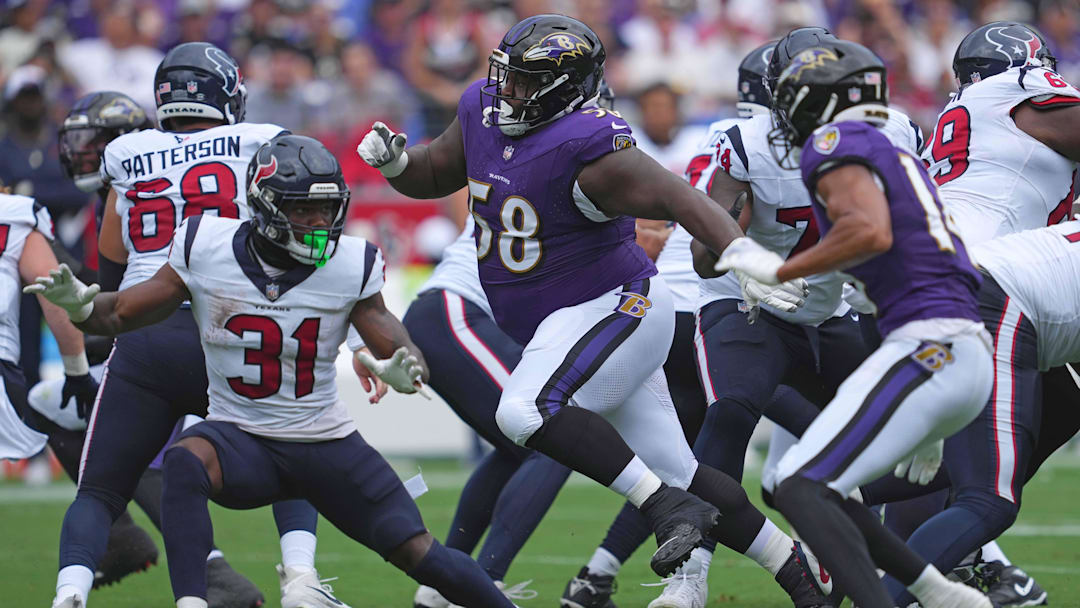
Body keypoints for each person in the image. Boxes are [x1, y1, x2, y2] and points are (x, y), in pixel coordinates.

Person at [358, 13, 831, 607]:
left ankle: (664, 506)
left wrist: (739, 251)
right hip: (575, 320)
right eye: (507, 75)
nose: (509, 91)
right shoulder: (483, 106)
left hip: (618, 307)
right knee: (682, 469)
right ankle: (801, 576)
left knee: (524, 411)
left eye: (527, 81)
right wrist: (397, 166)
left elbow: (677, 196)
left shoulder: (590, 143)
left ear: (565, 87)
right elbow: (434, 171)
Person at [27, 133, 520, 608]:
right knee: (185, 460)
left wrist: (403, 367)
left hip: (324, 443)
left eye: (326, 209)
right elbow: (123, 313)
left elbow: (397, 343)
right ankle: (195, 601)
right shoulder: (206, 245)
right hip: (241, 440)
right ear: (265, 207)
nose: (317, 221)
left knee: (419, 553)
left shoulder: (351, 262)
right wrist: (82, 309)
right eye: (303, 208)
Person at [45, 42, 342, 608]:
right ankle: (301, 580)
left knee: (100, 489)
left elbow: (111, 261)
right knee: (299, 453)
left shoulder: (127, 154)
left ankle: (70, 594)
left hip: (146, 331)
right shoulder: (261, 141)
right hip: (232, 329)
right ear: (228, 95)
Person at [718, 39, 994, 608]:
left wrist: (780, 267)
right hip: (952, 345)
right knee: (786, 482)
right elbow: (922, 271)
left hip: (932, 347)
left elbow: (869, 233)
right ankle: (937, 592)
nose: (785, 115)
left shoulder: (834, 139)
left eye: (794, 99)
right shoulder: (891, 148)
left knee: (800, 485)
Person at [879, 20, 1080, 607]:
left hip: (940, 284)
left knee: (1056, 407)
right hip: (987, 288)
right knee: (985, 493)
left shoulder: (963, 112)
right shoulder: (1017, 93)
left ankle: (860, 526)